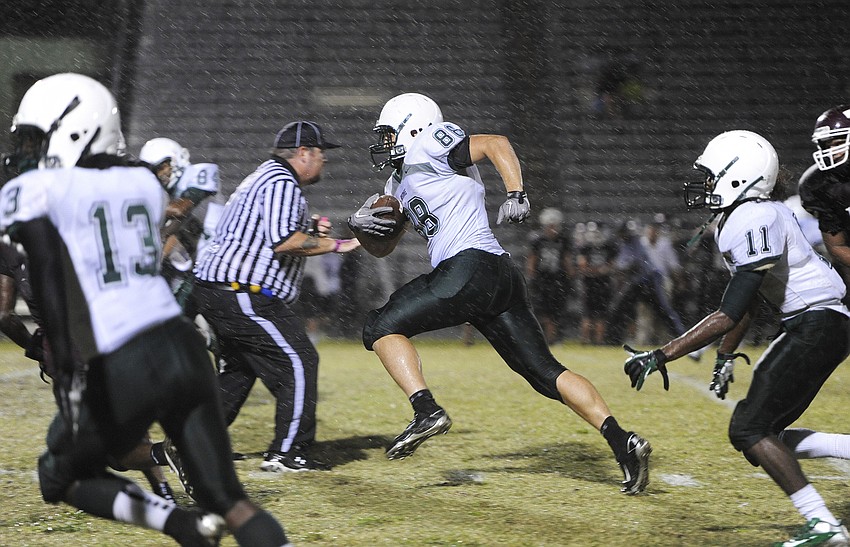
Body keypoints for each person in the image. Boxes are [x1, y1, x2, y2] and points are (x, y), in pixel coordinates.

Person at [0, 72, 290, 546]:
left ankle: (182, 525)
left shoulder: (37, 192)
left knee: (60, 474)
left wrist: (71, 380)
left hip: (123, 356)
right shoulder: (143, 185)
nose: (29, 152)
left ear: (73, 131)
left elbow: (47, 269)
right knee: (232, 502)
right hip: (182, 347)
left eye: (35, 138)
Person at [347, 92, 652, 494]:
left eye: (389, 133)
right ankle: (623, 443)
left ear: (413, 125)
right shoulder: (396, 181)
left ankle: (426, 410)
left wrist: (516, 193)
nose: (384, 143)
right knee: (545, 373)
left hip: (466, 267)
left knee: (378, 327)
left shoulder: (429, 142)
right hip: (498, 275)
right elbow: (385, 246)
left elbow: (495, 144)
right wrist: (363, 228)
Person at [623, 130, 850, 546]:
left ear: (737, 176)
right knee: (765, 435)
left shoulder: (752, 217)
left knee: (748, 429)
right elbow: (746, 307)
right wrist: (725, 357)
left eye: (711, 176)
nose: (704, 185)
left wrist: (660, 355)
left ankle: (823, 525)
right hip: (820, 323)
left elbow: (727, 313)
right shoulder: (746, 216)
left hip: (815, 323)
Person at [192, 120, 360, 473]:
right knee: (299, 361)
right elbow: (284, 241)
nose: (324, 161)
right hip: (242, 293)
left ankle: (189, 446)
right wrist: (340, 244)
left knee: (238, 374)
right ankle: (287, 453)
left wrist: (310, 233)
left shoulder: (266, 176)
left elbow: (270, 236)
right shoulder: (282, 181)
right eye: (321, 153)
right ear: (303, 153)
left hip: (222, 290)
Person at [139, 137, 220, 302]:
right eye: (154, 170)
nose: (160, 174)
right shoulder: (165, 196)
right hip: (199, 266)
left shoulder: (198, 173)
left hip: (219, 257)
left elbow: (179, 209)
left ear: (176, 159)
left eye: (162, 167)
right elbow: (168, 233)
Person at [605, 219, 687, 345]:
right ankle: (614, 339)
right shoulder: (626, 243)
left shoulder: (636, 242)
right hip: (637, 283)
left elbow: (631, 263)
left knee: (664, 312)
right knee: (620, 308)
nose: (621, 235)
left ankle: (684, 338)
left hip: (649, 281)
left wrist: (618, 268)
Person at [799, 104, 850, 298]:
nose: (832, 151)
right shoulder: (823, 185)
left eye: (838, 143)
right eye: (828, 145)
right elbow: (837, 246)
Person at [525, 207, 572, 344]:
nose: (552, 229)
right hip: (542, 279)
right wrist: (532, 276)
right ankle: (545, 338)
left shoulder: (563, 239)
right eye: (550, 226)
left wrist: (570, 276)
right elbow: (532, 259)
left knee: (556, 311)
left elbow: (566, 260)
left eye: (554, 226)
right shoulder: (537, 239)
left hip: (558, 279)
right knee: (542, 311)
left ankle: (552, 338)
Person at [574, 221, 616, 345]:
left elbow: (612, 265)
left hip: (598, 284)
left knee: (597, 315)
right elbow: (582, 266)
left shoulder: (607, 246)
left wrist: (595, 271)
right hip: (593, 284)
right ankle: (589, 340)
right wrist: (600, 270)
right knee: (590, 315)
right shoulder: (586, 247)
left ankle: (595, 340)